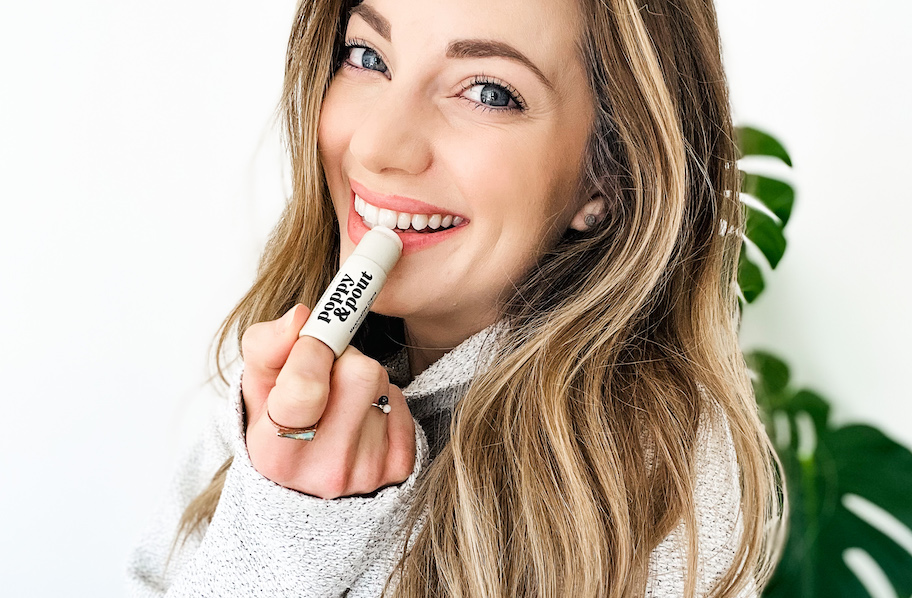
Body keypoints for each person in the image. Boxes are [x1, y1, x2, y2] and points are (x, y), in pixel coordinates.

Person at [127, 0, 788, 595]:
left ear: (608, 176)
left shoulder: (648, 475)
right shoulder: (271, 389)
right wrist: (280, 527)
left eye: (489, 91)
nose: (380, 146)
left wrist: (298, 534)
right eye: (367, 57)